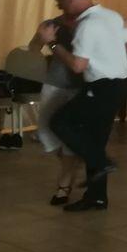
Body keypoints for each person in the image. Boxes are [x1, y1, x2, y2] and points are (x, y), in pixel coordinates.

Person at [39, 0, 127, 212]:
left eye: (61, 3)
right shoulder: (112, 15)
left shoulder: (87, 24)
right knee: (95, 139)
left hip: (102, 87)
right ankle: (97, 197)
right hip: (121, 85)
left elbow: (77, 65)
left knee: (60, 122)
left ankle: (101, 162)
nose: (60, 8)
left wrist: (52, 44)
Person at [29, 11, 82, 205]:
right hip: (54, 84)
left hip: (79, 85)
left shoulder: (89, 23)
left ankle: (64, 185)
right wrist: (41, 37)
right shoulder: (54, 23)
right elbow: (33, 48)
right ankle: (76, 161)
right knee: (45, 132)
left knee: (68, 135)